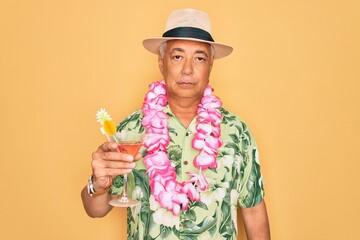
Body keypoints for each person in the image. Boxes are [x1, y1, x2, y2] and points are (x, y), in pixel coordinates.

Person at [81, 8, 270, 240]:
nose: (188, 70)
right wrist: (98, 183)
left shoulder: (237, 132)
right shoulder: (130, 130)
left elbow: (254, 213)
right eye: (177, 56)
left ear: (210, 66)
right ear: (161, 63)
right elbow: (95, 210)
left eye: (199, 58)